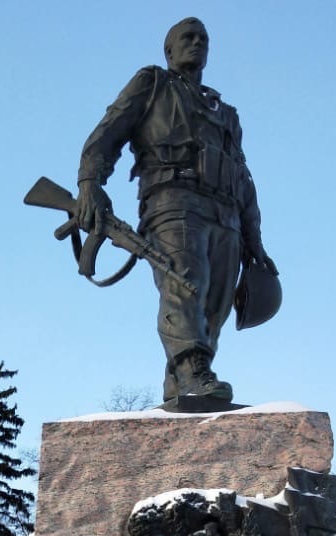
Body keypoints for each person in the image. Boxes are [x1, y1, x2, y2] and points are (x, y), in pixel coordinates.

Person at [76, 16, 278, 404]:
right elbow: (108, 132)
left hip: (227, 215)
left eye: (203, 38)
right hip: (173, 201)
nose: (196, 42)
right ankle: (192, 370)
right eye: (187, 37)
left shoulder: (226, 113)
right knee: (185, 283)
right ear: (169, 50)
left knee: (212, 309)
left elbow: (242, 177)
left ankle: (183, 383)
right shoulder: (152, 83)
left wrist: (255, 240)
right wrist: (90, 183)